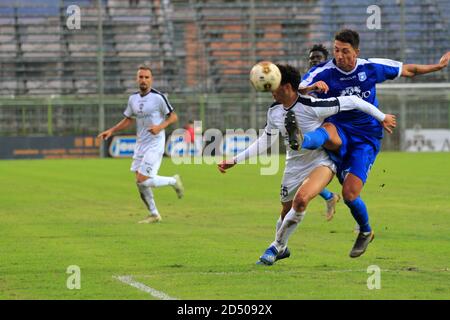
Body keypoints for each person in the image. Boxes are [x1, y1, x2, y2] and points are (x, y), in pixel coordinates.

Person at [218, 64, 396, 265]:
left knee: (302, 200)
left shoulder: (312, 105)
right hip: (293, 165)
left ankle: (275, 246)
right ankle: (282, 247)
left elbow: (353, 100)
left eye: (273, 86)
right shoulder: (274, 111)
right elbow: (265, 141)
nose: (270, 91)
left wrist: (382, 117)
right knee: (285, 213)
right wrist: (235, 160)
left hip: (321, 161)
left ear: (286, 86)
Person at [299, 29, 450, 256]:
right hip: (338, 129)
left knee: (350, 194)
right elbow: (299, 89)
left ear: (356, 52)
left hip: (366, 138)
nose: (339, 56)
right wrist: (312, 87)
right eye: (336, 50)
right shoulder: (324, 71)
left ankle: (365, 231)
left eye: (345, 51)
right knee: (327, 131)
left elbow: (408, 70)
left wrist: (437, 67)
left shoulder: (370, 68)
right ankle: (304, 141)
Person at [98, 65, 184, 224]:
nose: (143, 80)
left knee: (143, 179)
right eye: (141, 77)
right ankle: (154, 214)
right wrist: (111, 130)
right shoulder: (133, 99)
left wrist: (159, 127)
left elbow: (173, 117)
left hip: (155, 144)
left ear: (151, 79)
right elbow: (128, 119)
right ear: (137, 79)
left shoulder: (158, 97)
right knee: (139, 182)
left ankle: (173, 180)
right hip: (141, 144)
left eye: (147, 77)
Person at [307, 44, 341, 221]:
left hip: (334, 134)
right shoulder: (307, 83)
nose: (314, 60)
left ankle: (362, 223)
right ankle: (330, 197)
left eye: (318, 57)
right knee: (302, 174)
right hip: (317, 135)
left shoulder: (332, 79)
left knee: (348, 178)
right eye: (311, 58)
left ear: (326, 60)